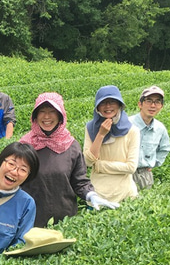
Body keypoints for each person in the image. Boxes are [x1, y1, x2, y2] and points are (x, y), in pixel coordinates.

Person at [20, 92, 118, 227]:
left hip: (65, 219)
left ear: (61, 116)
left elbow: (79, 181)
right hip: (31, 218)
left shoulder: (71, 146)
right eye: (42, 111)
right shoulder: (25, 146)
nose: (47, 116)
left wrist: (91, 195)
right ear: (35, 116)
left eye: (52, 112)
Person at [83, 85, 140, 203]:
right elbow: (88, 162)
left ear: (120, 105)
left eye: (112, 102)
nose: (108, 106)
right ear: (97, 107)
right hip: (98, 195)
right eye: (103, 103)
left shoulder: (132, 130)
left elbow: (131, 167)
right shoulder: (90, 128)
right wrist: (101, 134)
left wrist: (99, 165)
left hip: (125, 194)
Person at [129, 86, 170, 190]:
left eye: (157, 102)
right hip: (125, 174)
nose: (153, 105)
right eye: (149, 101)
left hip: (145, 175)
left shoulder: (160, 128)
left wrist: (154, 162)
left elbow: (165, 148)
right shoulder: (127, 124)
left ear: (161, 106)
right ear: (140, 104)